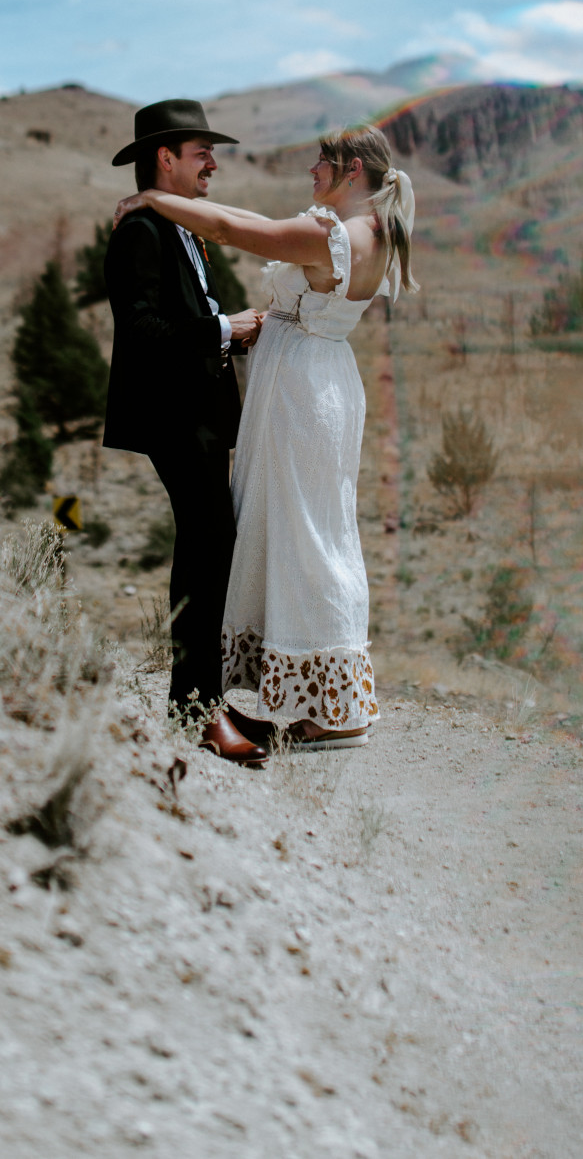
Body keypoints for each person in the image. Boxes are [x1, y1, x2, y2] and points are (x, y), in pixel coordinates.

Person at [113, 122, 415, 749]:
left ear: (352, 170)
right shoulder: (373, 233)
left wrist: (151, 199)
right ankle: (328, 700)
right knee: (318, 531)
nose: (312, 173)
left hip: (302, 393)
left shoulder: (331, 234)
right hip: (320, 383)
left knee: (306, 535)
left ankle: (332, 710)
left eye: (322, 165)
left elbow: (228, 228)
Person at [103, 99, 269, 767]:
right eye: (203, 152)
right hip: (174, 416)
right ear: (166, 158)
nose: (214, 164)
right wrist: (226, 328)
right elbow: (140, 331)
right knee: (204, 554)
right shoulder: (140, 233)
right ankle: (197, 713)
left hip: (200, 414)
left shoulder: (178, 227)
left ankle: (202, 703)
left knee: (212, 553)